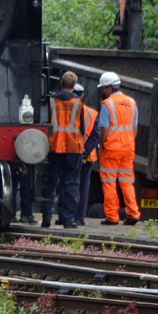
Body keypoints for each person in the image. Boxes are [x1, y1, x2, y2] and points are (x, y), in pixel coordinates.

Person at [41, 70, 86, 229]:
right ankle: (67, 219)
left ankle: (46, 217)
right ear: (74, 86)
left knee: (51, 182)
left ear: (61, 84)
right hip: (73, 148)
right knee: (71, 184)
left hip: (54, 146)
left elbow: (45, 124)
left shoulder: (51, 102)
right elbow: (82, 129)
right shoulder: (78, 104)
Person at [97, 71, 141, 225]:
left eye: (103, 88)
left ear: (109, 88)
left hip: (111, 149)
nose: (103, 91)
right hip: (128, 148)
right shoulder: (132, 102)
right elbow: (134, 127)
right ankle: (133, 213)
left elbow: (104, 128)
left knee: (109, 183)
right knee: (127, 182)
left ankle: (112, 217)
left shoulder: (107, 104)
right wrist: (129, 141)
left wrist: (101, 145)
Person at [73, 83, 100, 226]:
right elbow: (96, 136)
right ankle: (79, 218)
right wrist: (85, 151)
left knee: (69, 184)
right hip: (86, 156)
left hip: (70, 154)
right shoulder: (92, 113)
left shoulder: (64, 110)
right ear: (82, 95)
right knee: (83, 187)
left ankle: (69, 216)